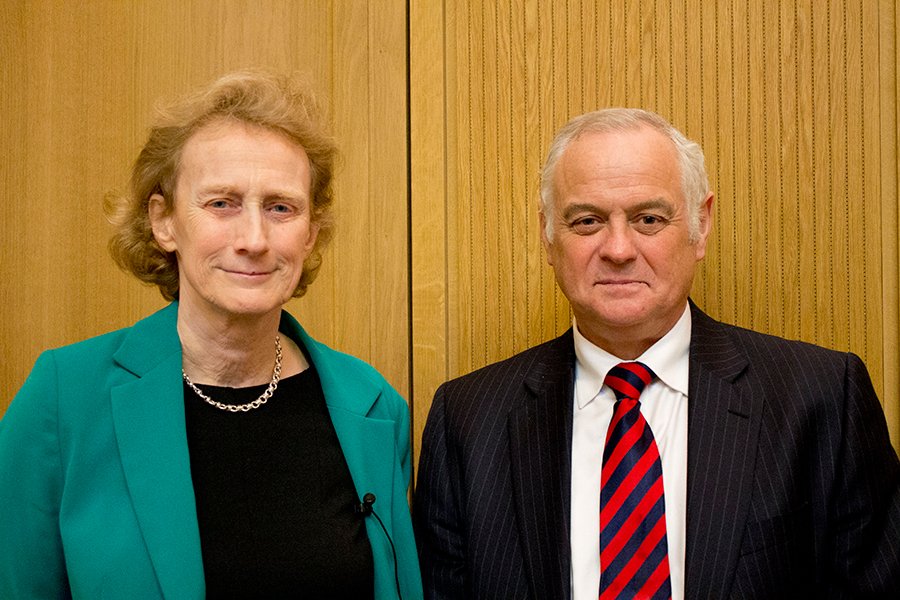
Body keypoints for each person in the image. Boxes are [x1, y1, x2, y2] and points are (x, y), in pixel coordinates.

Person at [413, 108, 900, 599]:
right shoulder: (469, 422)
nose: (619, 249)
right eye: (587, 221)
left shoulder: (820, 401)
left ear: (700, 224)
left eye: (649, 218)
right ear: (548, 235)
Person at [0, 70, 422, 600]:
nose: (254, 238)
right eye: (221, 203)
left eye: (281, 208)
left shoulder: (374, 408)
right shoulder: (63, 402)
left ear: (311, 232)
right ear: (164, 221)